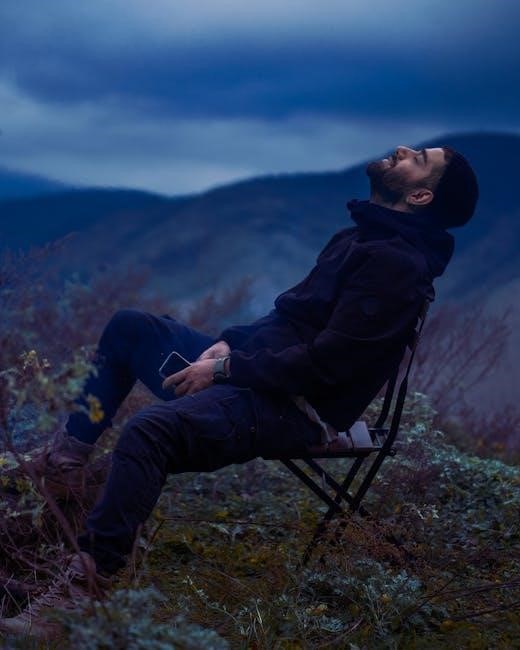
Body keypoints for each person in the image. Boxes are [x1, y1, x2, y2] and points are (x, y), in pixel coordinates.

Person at [0, 145, 478, 638]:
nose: (403, 150)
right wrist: (229, 343)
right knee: (130, 328)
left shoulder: (396, 266)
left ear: (420, 196)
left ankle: (82, 593)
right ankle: (64, 469)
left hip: (294, 408)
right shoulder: (359, 238)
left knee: (149, 432)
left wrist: (225, 370)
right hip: (259, 376)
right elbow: (288, 317)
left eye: (419, 159)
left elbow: (326, 365)